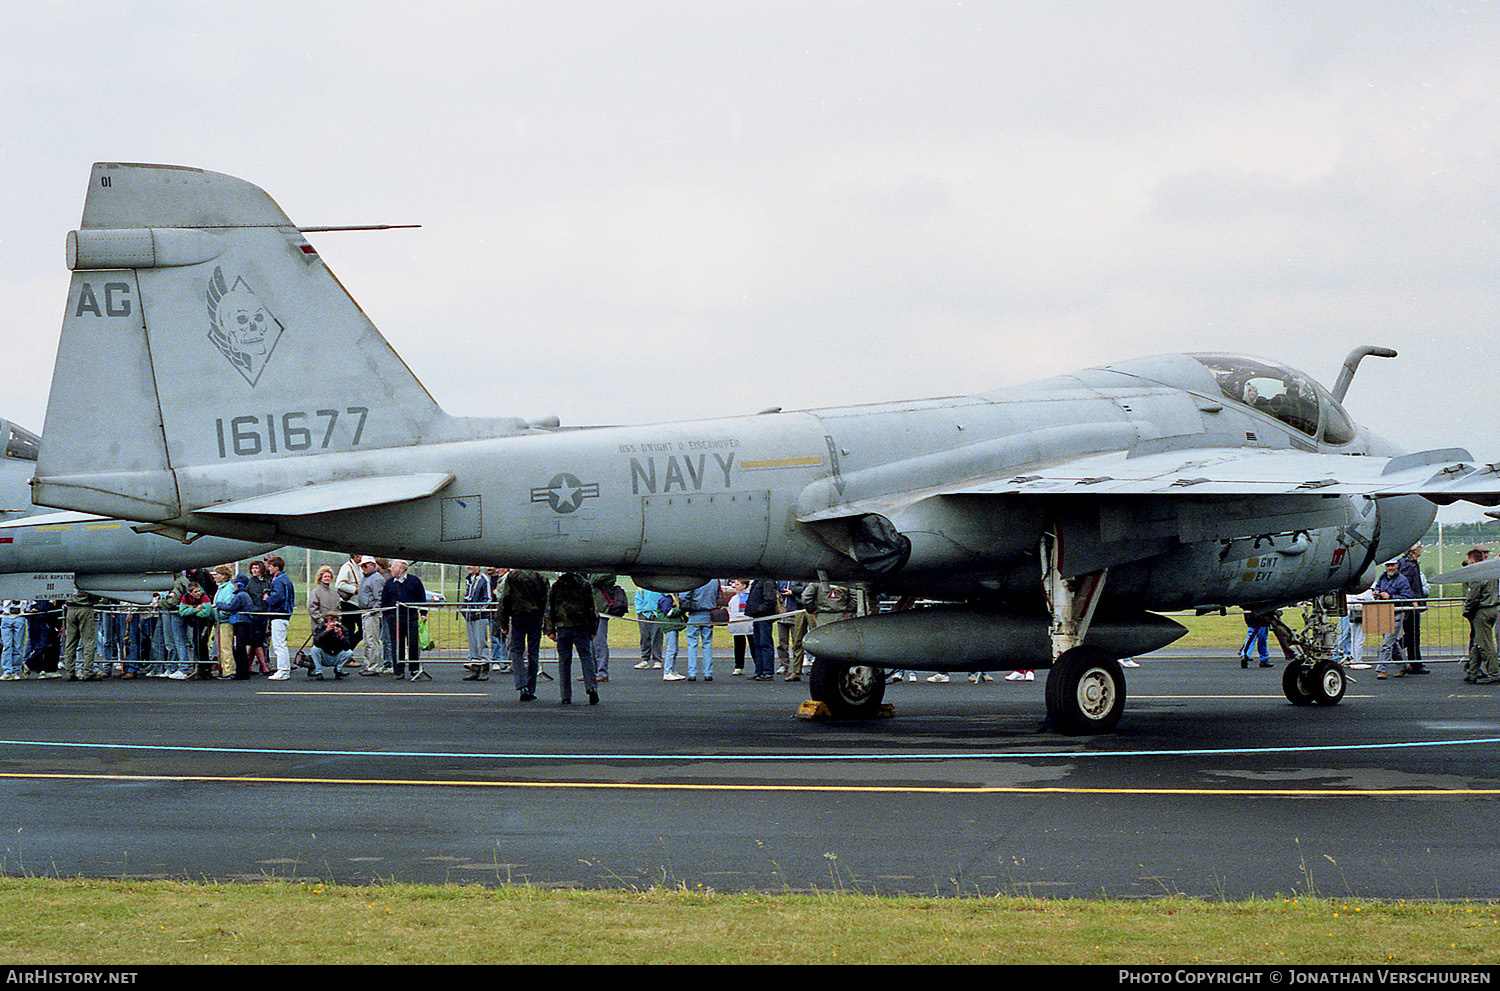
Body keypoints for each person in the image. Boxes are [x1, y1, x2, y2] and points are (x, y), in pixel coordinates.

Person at [543, 572, 600, 706]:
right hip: (582, 626)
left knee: (564, 661)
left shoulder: (557, 585)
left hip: (563, 626)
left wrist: (549, 629)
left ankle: (565, 695)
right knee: (586, 658)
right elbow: (591, 608)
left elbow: (550, 608)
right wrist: (593, 629)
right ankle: (591, 687)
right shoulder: (584, 584)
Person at [498, 568, 547, 701]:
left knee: (516, 650)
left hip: (518, 616)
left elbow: (505, 599)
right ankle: (531, 688)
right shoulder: (540, 575)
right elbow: (545, 599)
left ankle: (522, 685)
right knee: (533, 652)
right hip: (536, 616)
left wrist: (503, 623)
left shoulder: (513, 576)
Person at [382, 560, 428, 680]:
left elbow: (421, 598)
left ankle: (414, 669)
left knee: (413, 643)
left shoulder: (414, 581)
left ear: (401, 569)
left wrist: (423, 613)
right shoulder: (389, 583)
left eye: (393, 567)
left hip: (411, 617)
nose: (391, 569)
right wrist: (387, 615)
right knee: (397, 644)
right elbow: (384, 601)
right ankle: (399, 670)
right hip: (394, 618)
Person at [1462, 548, 1499, 685]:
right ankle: (1472, 671)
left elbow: (1474, 596)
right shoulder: (1490, 572)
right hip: (1492, 608)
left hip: (1482, 611)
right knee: (1478, 642)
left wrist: (1467, 610)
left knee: (1485, 644)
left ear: (1472, 559)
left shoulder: (1477, 573)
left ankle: (1493, 673)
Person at [1373, 558, 1413, 680]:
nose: (1390, 568)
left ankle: (1382, 669)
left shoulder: (1402, 580)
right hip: (1385, 612)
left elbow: (1406, 597)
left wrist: (1390, 597)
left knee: (1387, 642)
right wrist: (1377, 593)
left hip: (1397, 613)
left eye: (1392, 565)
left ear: (1397, 565)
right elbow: (1378, 587)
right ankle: (1404, 666)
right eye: (1388, 565)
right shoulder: (1382, 577)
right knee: (1391, 641)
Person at [1398, 543, 1430, 675]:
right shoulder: (1408, 565)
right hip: (1411, 606)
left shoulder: (1411, 564)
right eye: (1419, 546)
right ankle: (1414, 662)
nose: (1421, 548)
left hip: (1411, 604)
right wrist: (1413, 600)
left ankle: (1400, 651)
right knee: (1413, 633)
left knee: (1412, 633)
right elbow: (1406, 585)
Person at [684, 578, 721, 682]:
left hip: (695, 613)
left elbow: (684, 596)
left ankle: (692, 672)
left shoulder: (695, 580)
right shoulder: (715, 581)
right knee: (707, 644)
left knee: (692, 644)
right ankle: (708, 672)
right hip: (708, 613)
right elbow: (717, 596)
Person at [264, 555, 295, 681]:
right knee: (281, 643)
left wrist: (268, 598)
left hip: (279, 614)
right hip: (284, 614)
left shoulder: (278, 581)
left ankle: (283, 670)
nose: (268, 568)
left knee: (279, 644)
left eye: (270, 566)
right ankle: (284, 669)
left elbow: (279, 598)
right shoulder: (284, 580)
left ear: (276, 568)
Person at [460, 565, 492, 681]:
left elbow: (488, 599)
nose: (469, 567)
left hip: (479, 616)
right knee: (472, 643)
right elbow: (466, 596)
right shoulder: (468, 580)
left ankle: (484, 668)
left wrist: (478, 610)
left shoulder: (484, 579)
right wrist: (464, 609)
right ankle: (475, 668)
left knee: (481, 642)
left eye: (472, 566)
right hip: (469, 616)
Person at [357, 556, 388, 675]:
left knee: (372, 639)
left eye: (365, 566)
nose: (363, 569)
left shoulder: (376, 579)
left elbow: (379, 598)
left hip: (371, 613)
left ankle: (374, 665)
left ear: (372, 565)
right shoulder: (366, 578)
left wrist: (373, 611)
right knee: (367, 640)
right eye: (362, 566)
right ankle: (368, 664)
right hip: (365, 611)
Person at [745, 578, 779, 681]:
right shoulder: (758, 580)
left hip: (764, 616)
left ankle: (767, 671)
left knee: (765, 644)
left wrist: (758, 610)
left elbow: (770, 600)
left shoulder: (767, 581)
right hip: (758, 616)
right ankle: (759, 670)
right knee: (758, 644)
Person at [308, 613, 354, 680]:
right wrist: (325, 632)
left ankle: (338, 670)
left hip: (337, 654)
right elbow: (316, 643)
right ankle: (318, 672)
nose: (333, 625)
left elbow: (347, 646)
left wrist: (341, 635)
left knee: (349, 652)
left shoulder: (343, 629)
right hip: (324, 654)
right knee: (314, 650)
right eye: (331, 622)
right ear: (325, 623)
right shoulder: (320, 628)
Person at [633, 586, 664, 671]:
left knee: (656, 637)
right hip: (644, 615)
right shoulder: (642, 587)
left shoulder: (660, 587)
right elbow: (638, 598)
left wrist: (661, 611)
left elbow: (666, 597)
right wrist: (639, 611)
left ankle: (657, 660)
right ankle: (645, 660)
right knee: (644, 636)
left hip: (657, 615)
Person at [658, 591, 687, 682]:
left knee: (675, 649)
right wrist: (682, 609)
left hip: (673, 626)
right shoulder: (666, 598)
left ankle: (673, 671)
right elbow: (669, 612)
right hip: (669, 626)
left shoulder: (672, 597)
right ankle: (667, 672)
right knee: (671, 649)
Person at [726, 579, 751, 675]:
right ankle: (738, 666)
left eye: (737, 584)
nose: (734, 586)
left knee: (753, 645)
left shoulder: (749, 597)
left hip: (749, 624)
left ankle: (758, 666)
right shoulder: (734, 598)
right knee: (739, 645)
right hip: (737, 625)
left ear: (744, 586)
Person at [0, 599, 26, 680]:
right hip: (6, 617)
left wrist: (24, 609)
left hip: (19, 616)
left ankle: (15, 671)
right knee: (7, 645)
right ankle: (7, 671)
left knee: (18, 646)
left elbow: (29, 601)